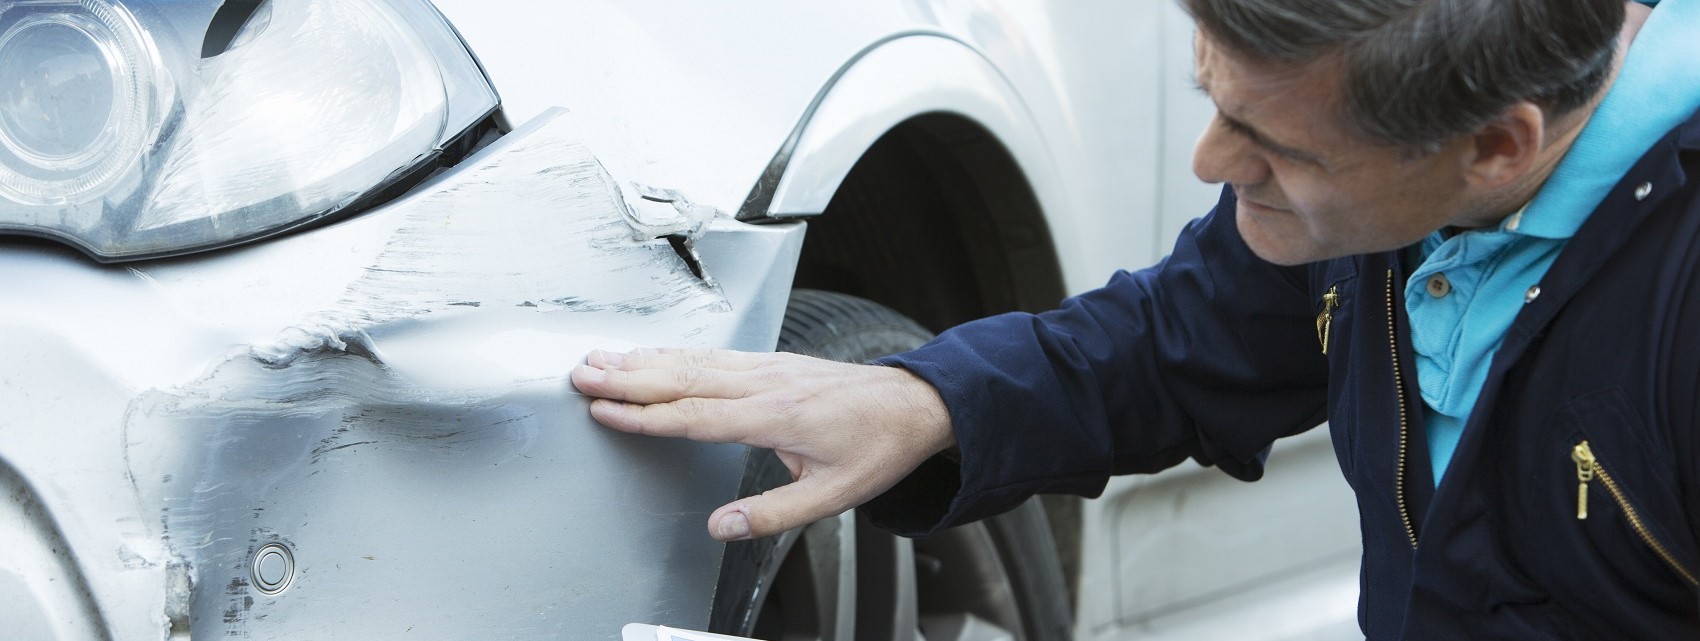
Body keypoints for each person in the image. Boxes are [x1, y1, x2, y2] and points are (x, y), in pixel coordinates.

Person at [572, 0, 1700, 636]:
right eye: (1211, 101)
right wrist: (924, 400)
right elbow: (1179, 340)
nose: (1211, 162)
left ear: (1495, 144)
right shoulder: (1379, 184)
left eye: (1275, 146)